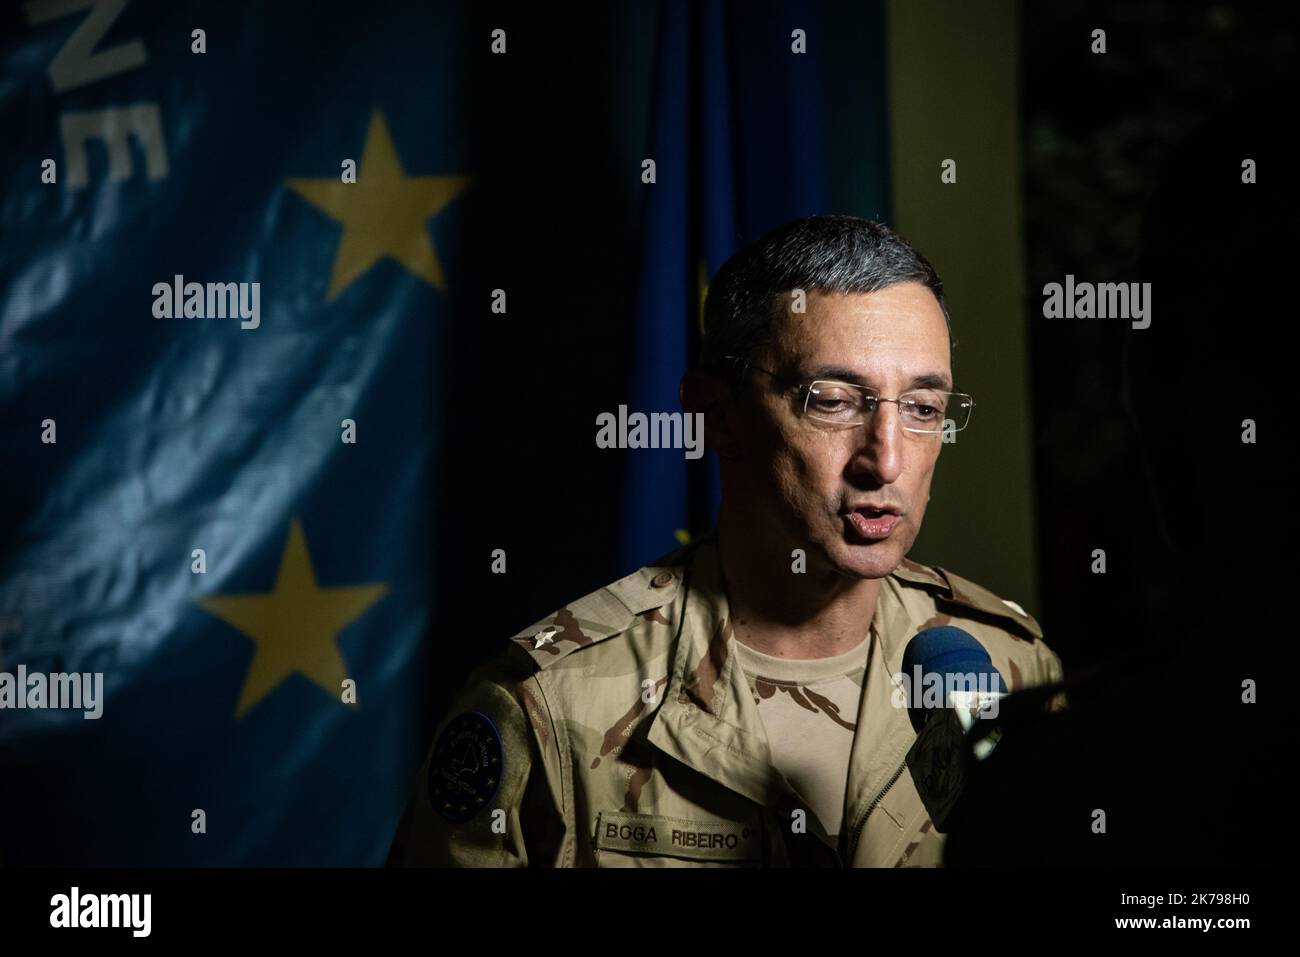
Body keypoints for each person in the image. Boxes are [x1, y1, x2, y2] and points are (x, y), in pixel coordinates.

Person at [387, 215, 1064, 867]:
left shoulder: (1012, 669)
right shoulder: (547, 705)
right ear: (716, 414)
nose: (886, 460)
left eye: (922, 408)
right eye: (831, 399)